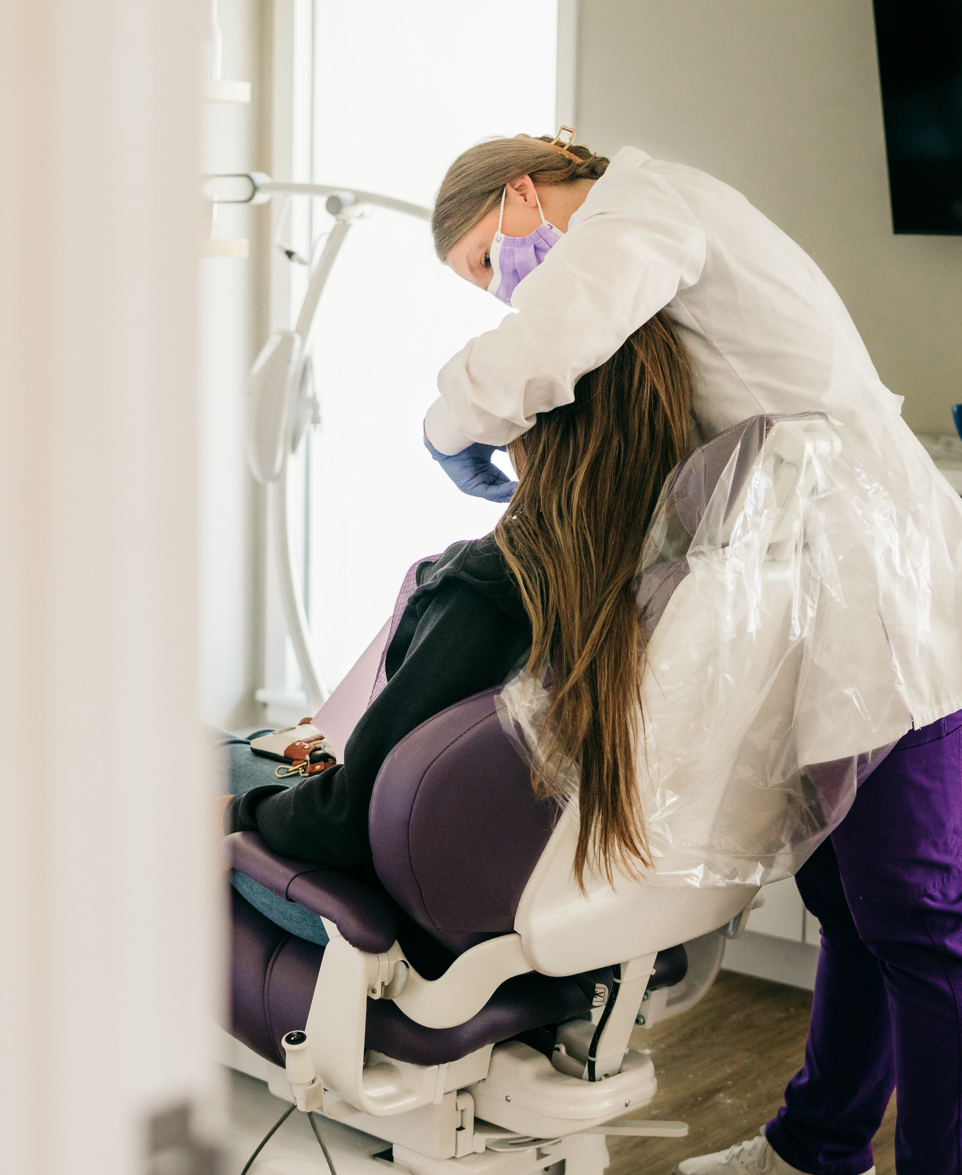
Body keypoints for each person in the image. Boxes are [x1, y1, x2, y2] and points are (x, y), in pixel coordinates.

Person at [425, 130, 962, 1175]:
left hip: (887, 593)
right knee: (847, 903)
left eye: (495, 260)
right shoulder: (652, 233)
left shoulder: (647, 212)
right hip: (815, 596)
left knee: (912, 909)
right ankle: (820, 1149)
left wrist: (449, 424)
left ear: (523, 194)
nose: (509, 287)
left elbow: (541, 350)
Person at [229, 309, 695, 916]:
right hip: (529, 904)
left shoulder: (492, 588)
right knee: (261, 747)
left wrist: (236, 814)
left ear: (527, 426)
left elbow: (341, 824)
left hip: (377, 908)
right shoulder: (656, 583)